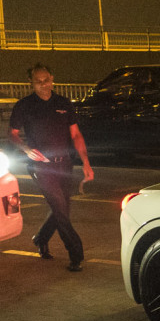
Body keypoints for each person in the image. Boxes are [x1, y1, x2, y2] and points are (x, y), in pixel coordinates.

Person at [9, 63, 95, 271]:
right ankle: (76, 254)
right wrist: (26, 149)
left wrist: (85, 162)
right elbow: (12, 135)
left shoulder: (63, 103)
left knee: (61, 209)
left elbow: (75, 134)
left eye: (46, 80)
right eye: (38, 82)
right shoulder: (24, 105)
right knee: (60, 209)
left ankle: (41, 238)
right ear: (31, 83)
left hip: (64, 165)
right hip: (41, 166)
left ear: (52, 79)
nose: (43, 85)